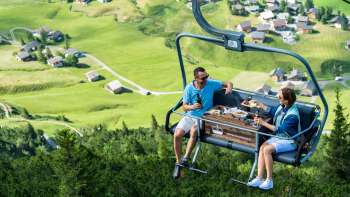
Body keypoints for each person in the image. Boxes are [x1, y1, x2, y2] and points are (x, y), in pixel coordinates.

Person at [173, 66, 233, 177]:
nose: (206, 79)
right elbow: (184, 107)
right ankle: (178, 162)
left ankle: (186, 158)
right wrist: (192, 107)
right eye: (203, 78)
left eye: (206, 76)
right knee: (177, 134)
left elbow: (228, 82)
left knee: (194, 131)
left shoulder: (210, 84)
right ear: (196, 79)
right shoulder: (189, 89)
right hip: (190, 115)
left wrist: (229, 87)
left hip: (204, 116)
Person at [247, 87, 301, 190]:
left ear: (286, 100)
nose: (277, 97)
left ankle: (269, 180)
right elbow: (273, 111)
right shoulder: (283, 106)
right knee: (262, 147)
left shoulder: (292, 115)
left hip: (290, 140)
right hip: (279, 137)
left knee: (267, 149)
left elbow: (279, 129)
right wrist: (260, 104)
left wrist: (263, 123)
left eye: (279, 96)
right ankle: (259, 178)